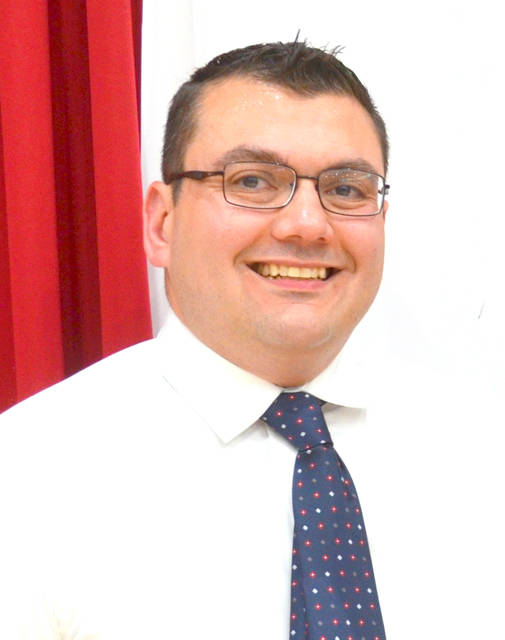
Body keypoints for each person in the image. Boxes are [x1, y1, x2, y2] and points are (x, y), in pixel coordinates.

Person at [0, 41, 497, 640]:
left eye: (346, 190)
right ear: (162, 223)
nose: (307, 225)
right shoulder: (25, 478)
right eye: (253, 180)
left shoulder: (480, 455)